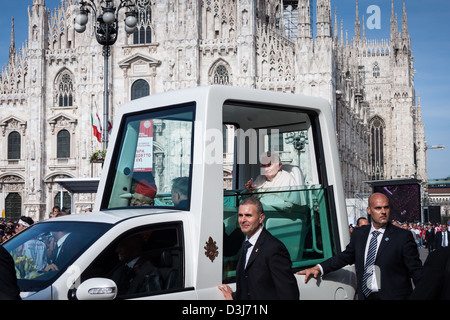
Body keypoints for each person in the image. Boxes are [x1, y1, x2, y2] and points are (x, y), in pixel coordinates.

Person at [297, 193, 422, 300]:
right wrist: (319, 268)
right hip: (366, 296)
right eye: (378, 208)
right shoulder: (359, 234)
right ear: (369, 210)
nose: (383, 212)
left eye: (386, 207)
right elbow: (344, 257)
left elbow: (416, 270)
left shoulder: (402, 236)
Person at [218, 197, 299, 300]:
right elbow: (251, 286)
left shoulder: (274, 248)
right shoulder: (246, 243)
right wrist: (234, 296)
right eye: (240, 215)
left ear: (261, 218)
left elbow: (289, 295)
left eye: (248, 215)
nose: (243, 220)